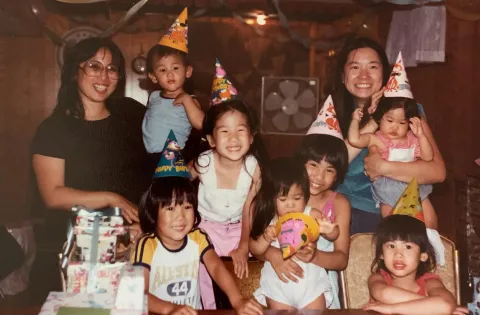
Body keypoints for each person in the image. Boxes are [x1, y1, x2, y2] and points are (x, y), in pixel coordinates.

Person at [31, 37, 154, 272]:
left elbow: (158, 162)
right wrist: (111, 198)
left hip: (141, 242)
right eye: (94, 66)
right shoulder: (54, 129)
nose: (104, 77)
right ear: (74, 72)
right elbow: (53, 195)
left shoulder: (131, 112)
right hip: (85, 247)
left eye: (111, 69)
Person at [329, 36, 446, 234]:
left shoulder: (409, 111)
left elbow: (437, 172)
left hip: (403, 207)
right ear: (343, 75)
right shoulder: (331, 116)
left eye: (373, 67)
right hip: (348, 213)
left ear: (385, 74)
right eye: (355, 67)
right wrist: (374, 120)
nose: (364, 76)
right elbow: (333, 165)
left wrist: (384, 167)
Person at [132, 142, 263, 315]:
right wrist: (170, 309)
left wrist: (238, 301)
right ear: (153, 213)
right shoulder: (147, 245)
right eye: (170, 208)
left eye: (187, 207)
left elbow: (216, 268)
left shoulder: (198, 237)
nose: (180, 216)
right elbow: (137, 294)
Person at [254, 96, 351, 309]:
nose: (318, 176)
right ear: (300, 163)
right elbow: (255, 243)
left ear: (338, 175)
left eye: (330, 170)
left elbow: (341, 259)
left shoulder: (339, 204)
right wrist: (273, 254)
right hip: (280, 282)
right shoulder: (278, 197)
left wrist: (314, 255)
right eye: (313, 165)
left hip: (316, 285)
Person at [189, 60, 267, 309]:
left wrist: (243, 246)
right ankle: (208, 308)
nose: (233, 139)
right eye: (224, 132)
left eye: (241, 130)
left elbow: (249, 210)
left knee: (251, 265)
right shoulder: (202, 163)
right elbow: (172, 188)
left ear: (252, 137)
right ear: (211, 139)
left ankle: (250, 306)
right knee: (200, 267)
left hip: (238, 230)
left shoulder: (253, 168)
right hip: (205, 230)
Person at [250, 157, 337, 310]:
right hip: (278, 285)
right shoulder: (269, 222)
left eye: (297, 198)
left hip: (311, 284)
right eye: (283, 199)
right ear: (272, 199)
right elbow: (255, 249)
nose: (290, 204)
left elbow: (334, 234)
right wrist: (265, 238)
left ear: (306, 196)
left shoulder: (311, 214)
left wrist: (329, 230)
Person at [364, 214, 467, 315]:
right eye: (391, 246)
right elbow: (385, 294)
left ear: (422, 256)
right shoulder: (378, 278)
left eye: (408, 247)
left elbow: (446, 305)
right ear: (381, 254)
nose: (398, 254)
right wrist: (434, 306)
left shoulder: (430, 282)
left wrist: (392, 309)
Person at [142, 8, 204, 154]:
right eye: (162, 70)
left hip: (173, 158)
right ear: (153, 76)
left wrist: (187, 100)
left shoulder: (190, 100)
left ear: (187, 71)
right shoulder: (154, 96)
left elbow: (201, 124)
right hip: (148, 156)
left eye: (175, 68)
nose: (170, 74)